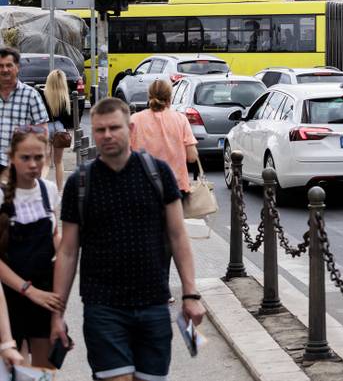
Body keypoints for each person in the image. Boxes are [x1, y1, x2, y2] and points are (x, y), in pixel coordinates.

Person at [51, 97, 205, 381]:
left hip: (153, 304)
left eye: (114, 128)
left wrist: (190, 294)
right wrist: (57, 313)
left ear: (129, 129)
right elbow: (68, 252)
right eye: (99, 130)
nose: (106, 135)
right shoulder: (80, 184)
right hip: (103, 307)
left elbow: (178, 236)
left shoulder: (158, 174)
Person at [0, 127, 64, 367]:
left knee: (43, 371)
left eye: (39, 157)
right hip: (9, 295)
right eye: (25, 158)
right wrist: (28, 290)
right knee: (12, 368)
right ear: (12, 158)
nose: (33, 164)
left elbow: (54, 235)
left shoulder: (48, 191)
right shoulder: (2, 195)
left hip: (44, 292)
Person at [130, 80, 198, 194]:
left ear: (149, 97)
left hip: (143, 186)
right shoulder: (180, 119)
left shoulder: (134, 120)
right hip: (176, 185)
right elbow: (192, 157)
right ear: (170, 98)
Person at [0, 48, 49, 179]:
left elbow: (43, 132)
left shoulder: (31, 95)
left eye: (9, 65)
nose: (4, 70)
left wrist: (22, 130)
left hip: (19, 167)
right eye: (1, 66)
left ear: (17, 67)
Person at [41, 69, 74, 192]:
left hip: (44, 127)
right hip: (59, 128)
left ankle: (41, 188)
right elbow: (68, 119)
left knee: (45, 162)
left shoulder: (42, 94)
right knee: (59, 162)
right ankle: (59, 192)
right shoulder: (64, 96)